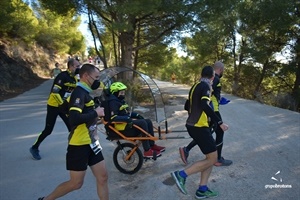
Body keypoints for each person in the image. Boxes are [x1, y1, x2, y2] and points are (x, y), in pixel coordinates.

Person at [38, 63, 109, 200]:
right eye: (96, 77)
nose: (98, 81)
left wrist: (98, 116)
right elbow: (74, 119)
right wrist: (95, 112)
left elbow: (83, 115)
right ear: (86, 76)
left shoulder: (86, 93)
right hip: (79, 144)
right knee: (76, 183)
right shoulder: (79, 93)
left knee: (103, 177)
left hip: (92, 143)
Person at [171, 66, 229, 199]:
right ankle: (181, 175)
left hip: (194, 125)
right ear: (212, 77)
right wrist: (219, 122)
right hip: (199, 126)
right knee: (213, 158)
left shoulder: (195, 85)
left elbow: (187, 105)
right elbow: (204, 105)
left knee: (211, 157)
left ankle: (202, 189)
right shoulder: (206, 87)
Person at [179, 61, 233, 166]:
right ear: (220, 70)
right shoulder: (211, 81)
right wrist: (218, 120)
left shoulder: (199, 83)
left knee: (207, 132)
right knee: (218, 132)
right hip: (212, 111)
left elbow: (208, 95)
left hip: (205, 113)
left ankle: (187, 150)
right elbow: (205, 99)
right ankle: (217, 158)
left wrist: (219, 98)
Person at [29, 58, 81, 160]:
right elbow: (55, 92)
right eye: (77, 66)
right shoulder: (62, 76)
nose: (78, 68)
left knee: (72, 128)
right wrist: (61, 104)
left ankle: (73, 151)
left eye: (79, 66)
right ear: (70, 67)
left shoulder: (75, 78)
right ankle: (34, 147)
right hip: (53, 106)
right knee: (48, 130)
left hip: (64, 107)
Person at [107, 82, 165, 158]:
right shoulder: (113, 102)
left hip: (125, 124)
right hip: (121, 128)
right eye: (121, 92)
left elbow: (126, 113)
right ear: (115, 92)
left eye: (124, 92)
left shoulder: (119, 101)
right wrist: (127, 119)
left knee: (148, 121)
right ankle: (147, 150)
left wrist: (137, 115)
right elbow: (113, 117)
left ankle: (151, 145)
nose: (123, 94)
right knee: (143, 123)